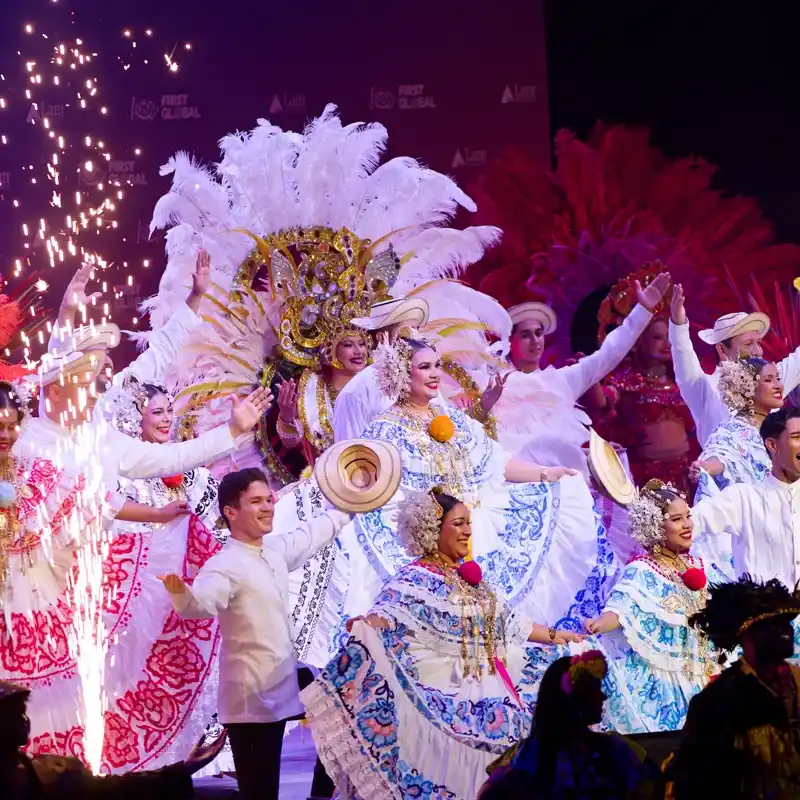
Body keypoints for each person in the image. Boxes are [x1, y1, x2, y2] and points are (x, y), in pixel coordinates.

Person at [302, 487, 583, 800]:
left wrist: (561, 637)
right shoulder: (414, 579)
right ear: (432, 529)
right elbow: (388, 615)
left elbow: (511, 623)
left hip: (499, 682)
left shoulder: (468, 578)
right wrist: (369, 624)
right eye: (459, 523)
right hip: (451, 688)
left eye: (468, 523)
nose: (468, 530)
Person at [343, 335, 604, 635]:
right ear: (402, 374)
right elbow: (368, 488)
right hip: (427, 546)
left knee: (498, 627)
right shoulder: (384, 430)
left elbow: (496, 461)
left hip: (479, 533)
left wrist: (548, 473)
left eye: (437, 366)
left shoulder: (453, 419)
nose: (434, 374)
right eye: (424, 367)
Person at [159, 467, 353, 800]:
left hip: (284, 680)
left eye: (269, 499)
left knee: (341, 715)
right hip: (252, 701)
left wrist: (351, 504)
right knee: (260, 793)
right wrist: (182, 594)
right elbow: (200, 605)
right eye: (256, 502)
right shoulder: (225, 564)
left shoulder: (273, 551)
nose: (267, 507)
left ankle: (320, 796)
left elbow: (311, 534)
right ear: (231, 513)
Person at [96, 378, 233, 775]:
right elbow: (115, 533)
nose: (166, 419)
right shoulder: (123, 477)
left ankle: (190, 756)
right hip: (139, 596)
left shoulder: (193, 475)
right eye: (157, 412)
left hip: (186, 594)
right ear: (134, 418)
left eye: (169, 411)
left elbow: (210, 527)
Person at [488, 272, 670, 477]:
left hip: (566, 488)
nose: (535, 340)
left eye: (538, 333)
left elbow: (609, 353)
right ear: (509, 342)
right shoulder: (494, 386)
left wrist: (643, 311)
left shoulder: (563, 380)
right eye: (525, 335)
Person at [581, 480, 720, 732]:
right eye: (677, 519)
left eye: (688, 516)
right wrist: (599, 623)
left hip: (706, 673)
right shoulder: (643, 568)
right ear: (655, 526)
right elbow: (621, 607)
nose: (687, 524)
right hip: (667, 678)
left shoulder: (699, 563)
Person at [666, 576, 800, 799]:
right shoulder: (716, 702)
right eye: (771, 625)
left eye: (787, 622)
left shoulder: (797, 682)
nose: (785, 630)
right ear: (745, 635)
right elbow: (699, 784)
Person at [478, 652, 663, 800]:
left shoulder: (527, 753)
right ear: (577, 698)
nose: (603, 697)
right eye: (595, 690)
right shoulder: (612, 748)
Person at [0, 680, 227, 800]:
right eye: (13, 713)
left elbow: (116, 788)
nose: (23, 720)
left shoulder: (50, 772)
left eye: (23, 711)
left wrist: (184, 769)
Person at [599, 267, 699, 495]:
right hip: (643, 479)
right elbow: (601, 405)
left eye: (668, 337)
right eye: (656, 338)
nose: (665, 343)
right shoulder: (625, 380)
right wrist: (591, 377)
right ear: (638, 342)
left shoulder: (681, 380)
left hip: (684, 478)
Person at [669, 282, 800, 447]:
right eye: (748, 344)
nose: (758, 351)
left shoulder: (770, 382)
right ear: (722, 349)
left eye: (758, 343)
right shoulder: (705, 388)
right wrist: (678, 325)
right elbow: (683, 354)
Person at [689, 407, 800, 592]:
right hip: (765, 616)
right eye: (797, 437)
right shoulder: (743, 499)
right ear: (773, 445)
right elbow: (691, 523)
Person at [691, 357, 781, 499]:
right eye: (769, 380)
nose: (779, 386)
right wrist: (707, 467)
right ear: (748, 389)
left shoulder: (782, 425)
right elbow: (721, 456)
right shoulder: (731, 430)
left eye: (778, 378)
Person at [276, 326, 371, 458]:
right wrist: (286, 417)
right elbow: (291, 442)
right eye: (348, 345)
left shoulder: (376, 382)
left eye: (362, 344)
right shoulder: (313, 386)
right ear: (330, 349)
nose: (359, 351)